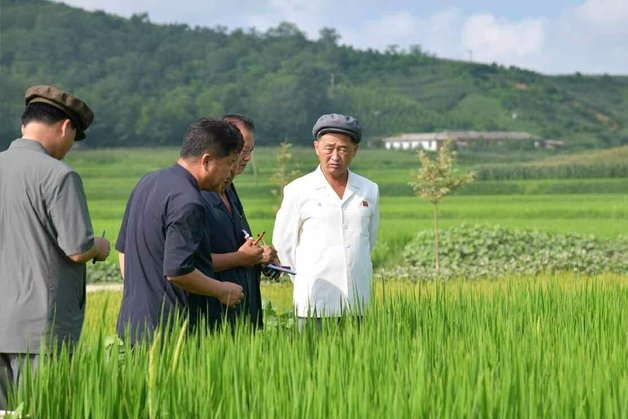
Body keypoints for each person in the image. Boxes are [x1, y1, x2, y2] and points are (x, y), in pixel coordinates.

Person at [0, 85, 111, 409]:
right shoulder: (59, 176)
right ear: (65, 127)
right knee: (43, 410)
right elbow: (77, 248)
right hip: (40, 331)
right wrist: (99, 246)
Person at [116, 118, 245, 345]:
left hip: (134, 323)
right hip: (172, 332)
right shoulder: (189, 201)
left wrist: (146, 291)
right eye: (230, 163)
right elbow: (177, 271)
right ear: (206, 160)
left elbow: (123, 250)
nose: (231, 173)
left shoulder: (148, 182)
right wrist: (221, 289)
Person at [272, 113, 380, 330]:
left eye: (343, 149)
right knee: (311, 359)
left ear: (355, 151)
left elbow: (369, 238)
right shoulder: (298, 190)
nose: (335, 156)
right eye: (329, 148)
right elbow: (284, 244)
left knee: (358, 360)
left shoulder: (369, 189)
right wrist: (305, 278)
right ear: (316, 147)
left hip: (356, 299)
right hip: (314, 298)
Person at [189, 114, 277, 331]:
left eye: (250, 151)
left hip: (244, 312)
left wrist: (259, 256)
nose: (246, 158)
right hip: (211, 314)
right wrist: (240, 258)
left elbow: (239, 242)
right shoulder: (197, 195)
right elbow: (186, 262)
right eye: (242, 150)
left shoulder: (229, 189)